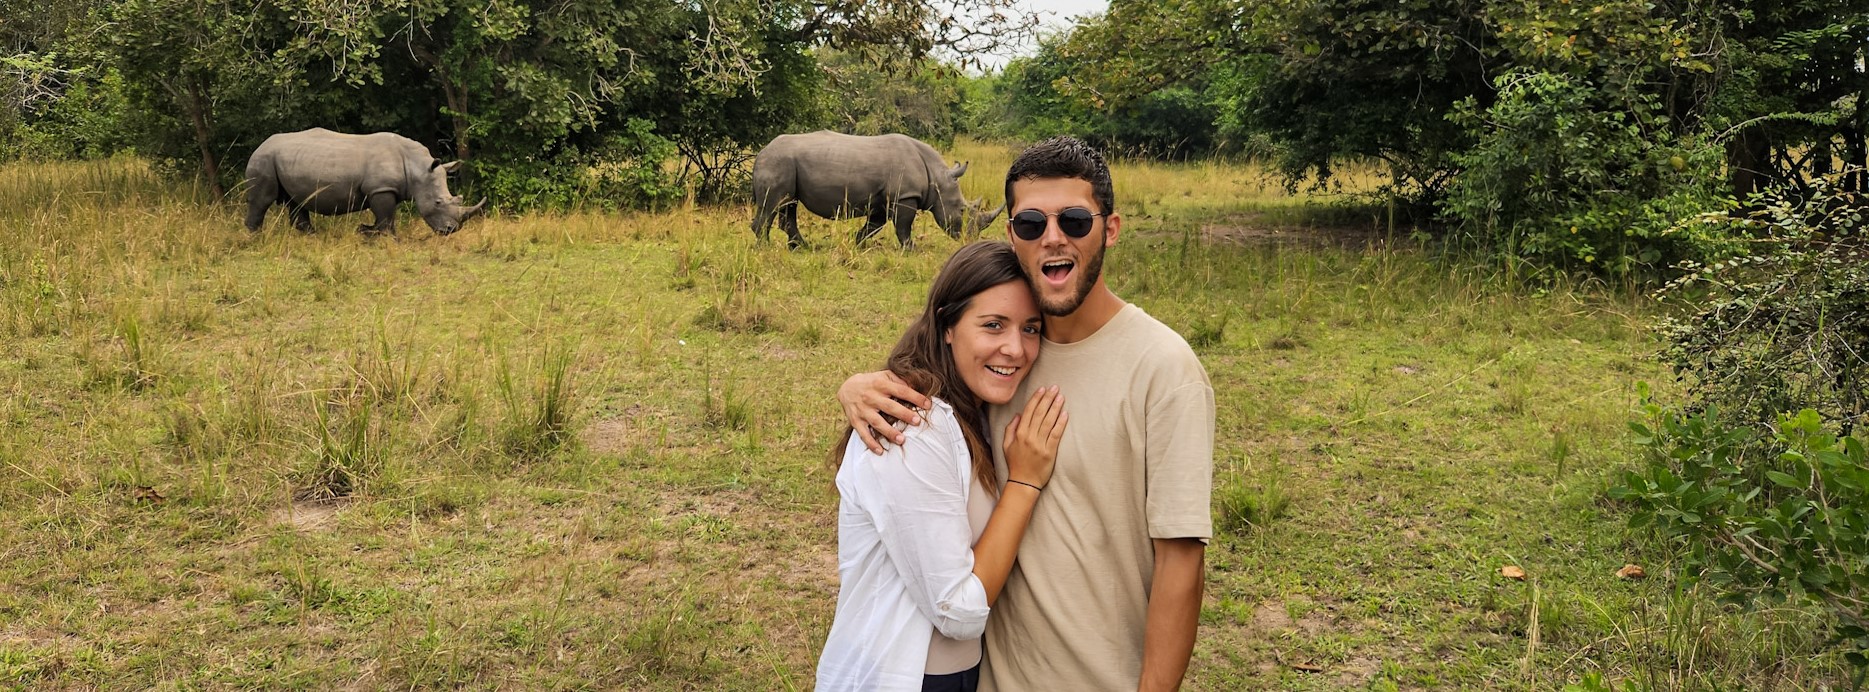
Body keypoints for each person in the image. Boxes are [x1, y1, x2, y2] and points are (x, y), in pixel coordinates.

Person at [837, 137, 1214, 691]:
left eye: (1076, 220)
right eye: (1032, 223)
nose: (1054, 236)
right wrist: (856, 387)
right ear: (1013, 235)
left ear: (1110, 229)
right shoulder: (1001, 366)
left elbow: (1182, 561)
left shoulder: (1164, 368)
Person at [817, 241, 1071, 692]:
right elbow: (958, 610)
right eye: (993, 325)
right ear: (946, 326)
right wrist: (1025, 483)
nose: (1015, 348)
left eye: (1031, 328)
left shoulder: (977, 408)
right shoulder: (912, 428)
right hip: (905, 677)